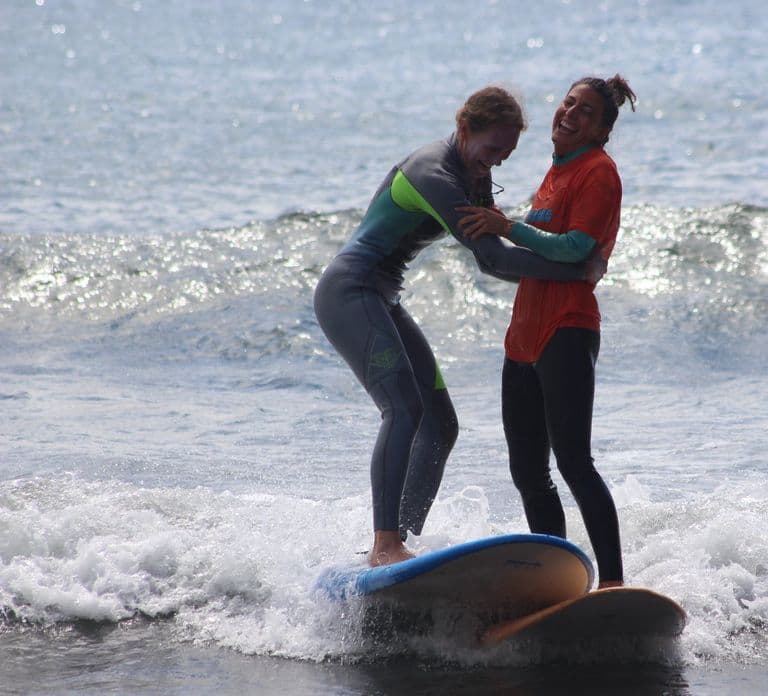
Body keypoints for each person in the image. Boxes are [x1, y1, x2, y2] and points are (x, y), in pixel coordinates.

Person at [314, 86, 605, 567]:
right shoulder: (435, 174)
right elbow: (493, 254)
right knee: (404, 410)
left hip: (382, 298)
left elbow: (490, 262)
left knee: (441, 424)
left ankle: (401, 542)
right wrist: (577, 270)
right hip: (351, 292)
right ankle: (385, 544)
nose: (493, 164)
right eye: (491, 149)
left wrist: (566, 259)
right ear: (464, 129)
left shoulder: (476, 173)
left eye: (506, 155)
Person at [458, 75, 637, 588]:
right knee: (528, 472)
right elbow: (533, 253)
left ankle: (612, 585)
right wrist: (488, 225)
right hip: (522, 336)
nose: (568, 114)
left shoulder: (598, 171)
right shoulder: (554, 174)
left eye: (584, 112)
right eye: (567, 103)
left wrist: (508, 227)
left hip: (567, 327)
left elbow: (577, 248)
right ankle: (557, 582)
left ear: (601, 130)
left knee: (575, 462)